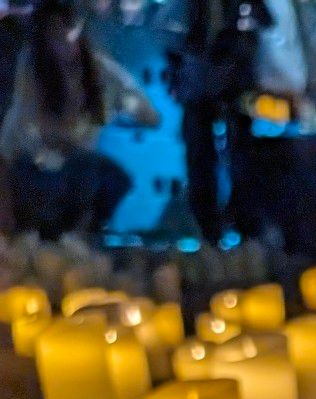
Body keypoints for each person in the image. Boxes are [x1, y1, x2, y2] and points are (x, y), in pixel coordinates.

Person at [1, 0, 157, 239]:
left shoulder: (96, 67)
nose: (65, 38)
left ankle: (81, 239)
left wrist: (124, 109)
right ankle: (53, 238)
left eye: (69, 28)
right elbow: (25, 128)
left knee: (107, 176)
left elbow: (143, 110)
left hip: (76, 167)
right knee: (78, 174)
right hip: (36, 165)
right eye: (55, 32)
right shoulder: (32, 68)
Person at [171, 0, 270, 242]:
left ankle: (242, 228)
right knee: (202, 158)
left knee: (239, 158)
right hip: (201, 77)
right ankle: (212, 231)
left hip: (231, 77)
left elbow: (262, 21)